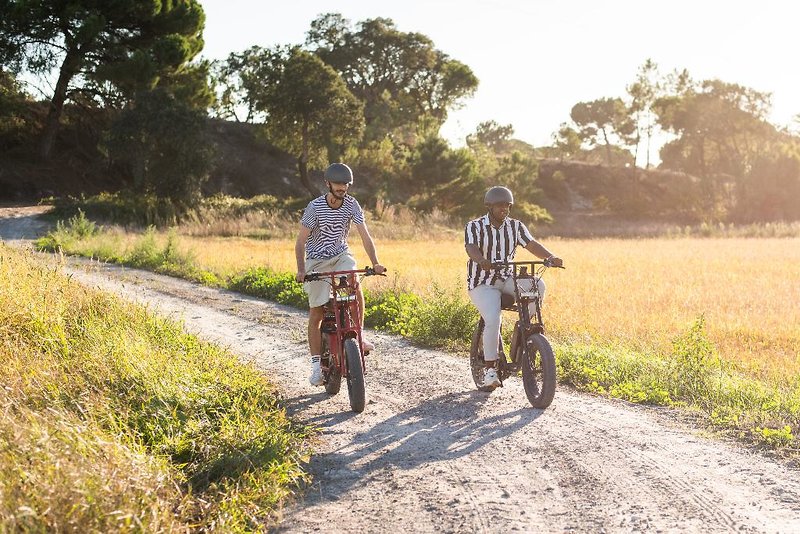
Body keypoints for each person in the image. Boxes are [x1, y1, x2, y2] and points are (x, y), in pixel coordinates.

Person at [295, 163, 386, 386]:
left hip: (340, 255)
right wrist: (301, 269)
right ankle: (316, 366)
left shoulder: (352, 205)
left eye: (345, 184)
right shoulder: (315, 207)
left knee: (355, 284)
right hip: (316, 260)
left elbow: (365, 235)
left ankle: (360, 336)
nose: (342, 187)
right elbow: (300, 242)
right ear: (328, 184)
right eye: (338, 183)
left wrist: (375, 263)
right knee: (316, 311)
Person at [464, 186, 563, 388]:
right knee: (493, 319)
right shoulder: (474, 226)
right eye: (500, 205)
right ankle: (490, 371)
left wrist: (550, 257)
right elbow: (471, 248)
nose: (505, 209)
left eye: (507, 206)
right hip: (483, 282)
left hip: (507, 278)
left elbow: (532, 244)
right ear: (489, 206)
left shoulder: (516, 227)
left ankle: (523, 327)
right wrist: (482, 260)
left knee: (538, 285)